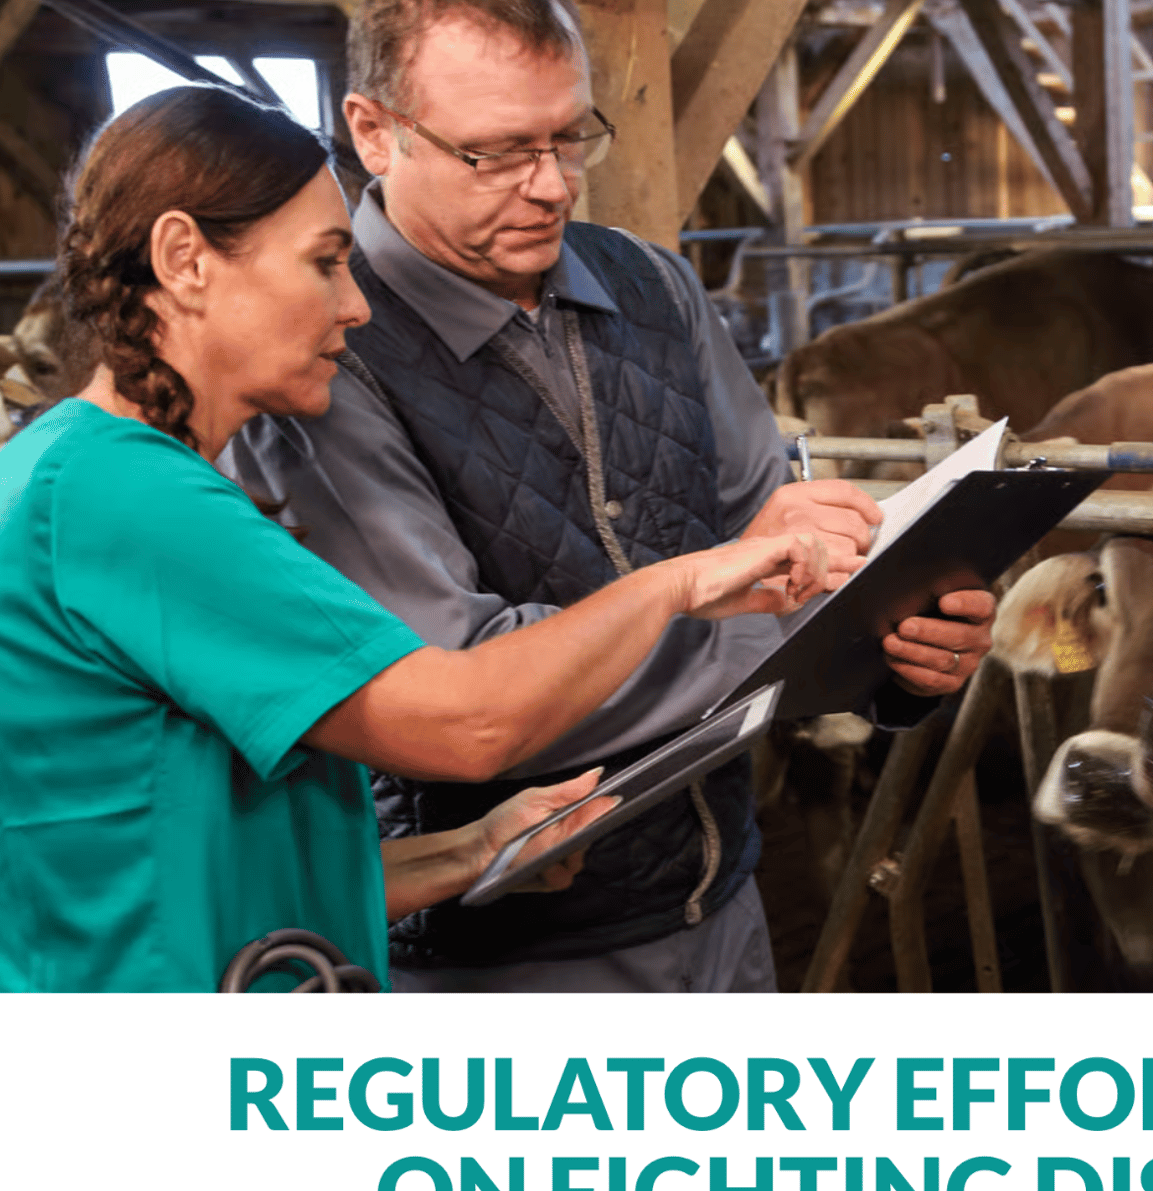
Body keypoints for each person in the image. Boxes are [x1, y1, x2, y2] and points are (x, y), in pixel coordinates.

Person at [223, 0, 996, 992]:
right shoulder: (327, 356)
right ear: (374, 132)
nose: (550, 186)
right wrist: (780, 623)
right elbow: (464, 688)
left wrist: (895, 650)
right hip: (499, 964)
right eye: (496, 153)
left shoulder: (658, 293)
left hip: (720, 905)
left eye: (568, 137)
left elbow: (791, 557)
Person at [0, 84, 844, 992]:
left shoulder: (103, 475)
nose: (355, 306)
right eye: (325, 262)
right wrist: (679, 583)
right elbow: (468, 722)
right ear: (185, 258)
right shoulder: (124, 497)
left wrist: (470, 849)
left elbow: (223, 861)